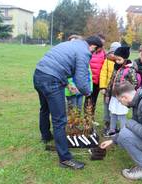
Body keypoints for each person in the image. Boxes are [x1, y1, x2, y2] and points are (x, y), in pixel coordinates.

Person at [33, 36, 102, 169]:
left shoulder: (70, 44)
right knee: (60, 121)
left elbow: (59, 65)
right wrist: (88, 93)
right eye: (95, 51)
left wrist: (65, 84)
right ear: (93, 46)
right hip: (51, 80)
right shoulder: (84, 51)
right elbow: (81, 79)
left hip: (39, 74)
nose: (93, 54)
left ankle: (46, 136)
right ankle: (65, 159)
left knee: (44, 109)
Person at [104, 46, 139, 137]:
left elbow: (134, 83)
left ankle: (124, 133)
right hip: (114, 96)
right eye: (116, 59)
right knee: (113, 113)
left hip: (122, 98)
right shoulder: (116, 67)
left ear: (125, 58)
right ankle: (112, 130)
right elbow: (111, 81)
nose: (117, 61)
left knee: (121, 115)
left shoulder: (130, 70)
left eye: (119, 59)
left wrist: (125, 92)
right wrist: (108, 94)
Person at [99, 42, 121, 134]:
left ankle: (114, 125)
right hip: (107, 91)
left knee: (115, 107)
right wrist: (103, 87)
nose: (114, 55)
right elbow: (103, 75)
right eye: (112, 52)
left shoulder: (121, 62)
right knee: (106, 107)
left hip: (117, 91)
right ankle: (107, 124)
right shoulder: (107, 62)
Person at [84, 34, 106, 121]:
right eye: (100, 43)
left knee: (94, 101)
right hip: (89, 81)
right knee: (87, 100)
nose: (101, 46)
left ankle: (91, 118)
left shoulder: (104, 53)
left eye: (103, 44)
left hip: (97, 82)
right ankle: (86, 118)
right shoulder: (88, 51)